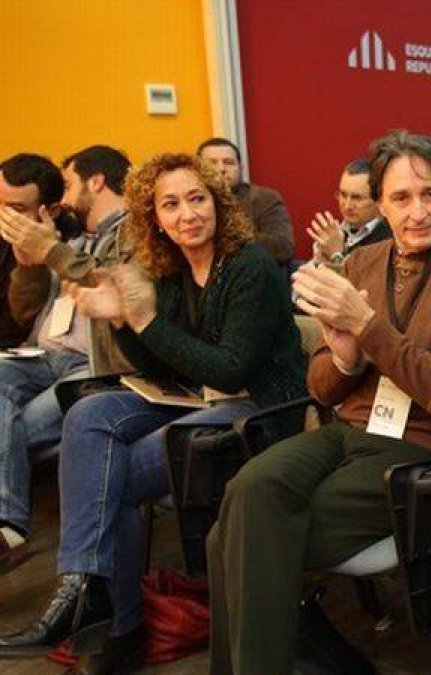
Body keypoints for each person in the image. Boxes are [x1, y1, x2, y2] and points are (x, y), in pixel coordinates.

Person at [206, 129, 431, 674]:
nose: (418, 212)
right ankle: (298, 647)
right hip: (347, 431)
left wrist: (366, 325)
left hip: (425, 448)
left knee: (234, 540)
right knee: (246, 489)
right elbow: (321, 388)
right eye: (400, 198)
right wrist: (346, 359)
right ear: (380, 205)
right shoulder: (361, 262)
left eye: (430, 194)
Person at [0, 152, 306, 673]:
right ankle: (84, 589)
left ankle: (112, 621)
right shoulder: (171, 268)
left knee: (111, 476)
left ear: (217, 203)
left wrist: (142, 321)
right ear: (155, 217)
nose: (188, 214)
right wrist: (121, 321)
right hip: (192, 399)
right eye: (171, 204)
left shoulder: (249, 265)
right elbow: (161, 363)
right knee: (88, 414)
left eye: (197, 199)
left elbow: (229, 369)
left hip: (258, 412)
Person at [0, 146, 132, 569]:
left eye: (70, 184)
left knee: (15, 428)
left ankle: (7, 527)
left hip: (89, 365)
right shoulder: (70, 237)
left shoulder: (129, 236)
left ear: (96, 182)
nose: (64, 198)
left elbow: (116, 290)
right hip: (39, 356)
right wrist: (29, 264)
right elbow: (23, 312)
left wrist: (51, 251)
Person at [0, 154, 67, 348]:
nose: (3, 216)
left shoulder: (68, 247)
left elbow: (21, 324)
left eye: (15, 209)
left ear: (51, 212)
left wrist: (30, 269)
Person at [197, 137, 295, 265]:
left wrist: (233, 232)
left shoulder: (263, 198)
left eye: (229, 162)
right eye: (212, 163)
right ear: (198, 169)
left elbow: (283, 249)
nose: (221, 169)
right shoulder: (190, 203)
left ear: (240, 168)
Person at [306, 158, 392, 267]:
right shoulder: (337, 233)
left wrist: (336, 254)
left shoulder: (389, 240)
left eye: (357, 198)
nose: (347, 206)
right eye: (343, 195)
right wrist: (318, 261)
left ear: (378, 199)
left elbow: (360, 278)